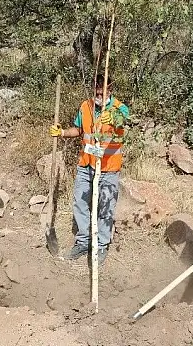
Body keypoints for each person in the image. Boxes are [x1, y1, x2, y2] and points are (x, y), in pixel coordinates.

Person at [49, 75, 129, 265]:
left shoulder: (119, 108)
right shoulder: (86, 106)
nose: (100, 94)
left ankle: (101, 245)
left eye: (104, 90)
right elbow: (78, 130)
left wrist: (114, 117)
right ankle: (83, 241)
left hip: (109, 168)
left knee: (105, 207)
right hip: (86, 165)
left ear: (110, 88)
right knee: (80, 203)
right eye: (97, 90)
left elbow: (122, 120)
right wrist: (61, 133)